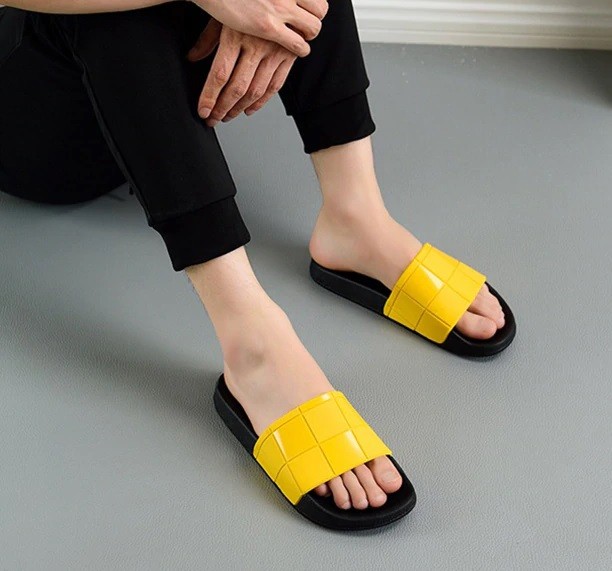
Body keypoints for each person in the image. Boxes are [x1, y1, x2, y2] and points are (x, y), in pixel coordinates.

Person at [0, 0, 511, 525]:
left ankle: (356, 218)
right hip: (32, 117)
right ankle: (253, 343)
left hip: (138, 100)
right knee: (114, 18)